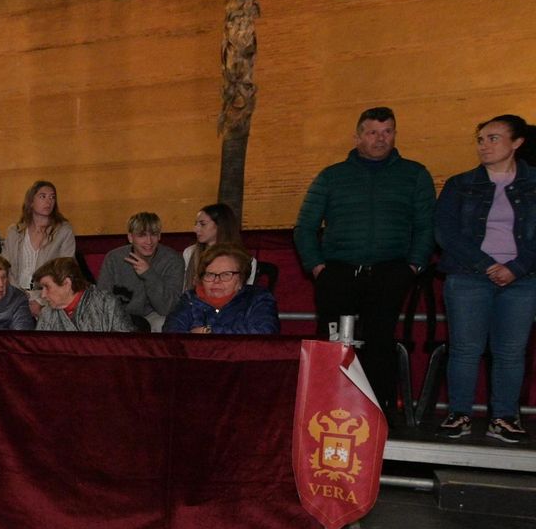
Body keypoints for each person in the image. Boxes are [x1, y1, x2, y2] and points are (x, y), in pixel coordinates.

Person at [294, 106, 436, 416]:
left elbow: (427, 226)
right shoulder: (331, 177)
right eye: (373, 132)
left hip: (391, 270)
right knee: (333, 342)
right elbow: (305, 227)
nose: (380, 139)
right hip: (338, 271)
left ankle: (376, 413)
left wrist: (412, 266)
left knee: (379, 343)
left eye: (387, 132)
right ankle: (326, 408)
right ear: (357, 136)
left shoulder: (414, 175)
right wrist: (317, 266)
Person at [435, 114, 536, 443]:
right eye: (481, 139)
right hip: (469, 276)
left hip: (522, 278)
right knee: (465, 349)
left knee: (511, 351)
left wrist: (516, 268)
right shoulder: (459, 184)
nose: (484, 145)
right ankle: (459, 412)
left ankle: (504, 417)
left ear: (517, 143)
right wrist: (487, 265)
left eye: (493, 138)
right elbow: (445, 233)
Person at [98, 212, 186, 332]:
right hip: (120, 316)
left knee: (164, 323)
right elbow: (102, 300)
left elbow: (167, 308)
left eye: (154, 235)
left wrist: (149, 274)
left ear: (159, 236)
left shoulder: (172, 260)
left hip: (154, 316)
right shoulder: (114, 258)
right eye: (142, 235)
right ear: (130, 238)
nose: (149, 241)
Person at [164, 244, 280, 334]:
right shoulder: (189, 299)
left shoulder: (258, 299)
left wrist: (209, 332)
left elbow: (265, 333)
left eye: (226, 275)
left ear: (241, 279)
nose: (216, 281)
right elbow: (171, 333)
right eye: (210, 274)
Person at [3, 181, 77, 315]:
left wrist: (41, 301)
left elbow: (66, 270)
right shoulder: (14, 232)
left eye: (52, 197)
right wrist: (19, 297)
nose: (49, 201)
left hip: (49, 298)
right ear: (31, 201)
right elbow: (5, 268)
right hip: (15, 296)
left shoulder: (63, 231)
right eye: (43, 196)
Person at [34, 256, 132, 332]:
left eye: (47, 287)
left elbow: (125, 347)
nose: (43, 295)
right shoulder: (47, 314)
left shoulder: (107, 304)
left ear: (67, 283)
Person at [183, 203, 258, 286]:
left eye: (203, 224)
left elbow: (245, 293)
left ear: (220, 225)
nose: (196, 229)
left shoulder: (246, 260)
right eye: (196, 224)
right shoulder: (190, 253)